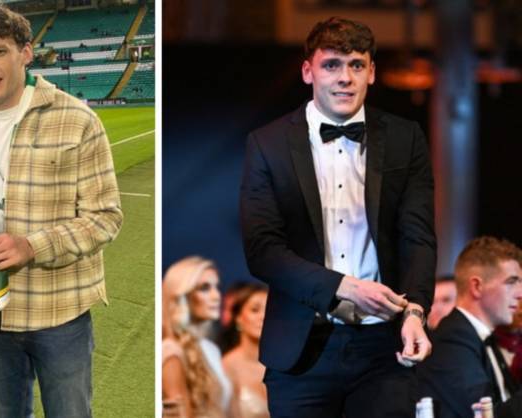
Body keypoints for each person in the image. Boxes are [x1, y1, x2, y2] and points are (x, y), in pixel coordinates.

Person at [0, 6, 123, 418]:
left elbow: (106, 216)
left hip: (58, 311)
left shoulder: (76, 119)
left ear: (26, 53)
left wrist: (31, 246)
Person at [238, 17, 436, 418]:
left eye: (356, 65)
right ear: (308, 71)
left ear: (372, 73)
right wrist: (344, 287)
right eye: (332, 65)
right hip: (301, 348)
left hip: (385, 349)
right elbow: (263, 250)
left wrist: (416, 312)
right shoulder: (267, 144)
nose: (345, 78)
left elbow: (417, 237)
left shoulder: (404, 138)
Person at [417, 236, 522, 418]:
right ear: (477, 286)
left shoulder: (481, 336)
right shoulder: (452, 340)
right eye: (511, 282)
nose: (520, 293)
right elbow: (484, 415)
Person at [162, 256, 230, 418]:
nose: (217, 296)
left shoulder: (210, 348)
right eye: (204, 288)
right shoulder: (171, 352)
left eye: (216, 287)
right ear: (182, 295)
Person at [222, 283, 270, 418]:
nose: (263, 317)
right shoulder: (226, 367)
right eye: (255, 310)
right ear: (238, 318)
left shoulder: (283, 364)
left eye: (269, 311)